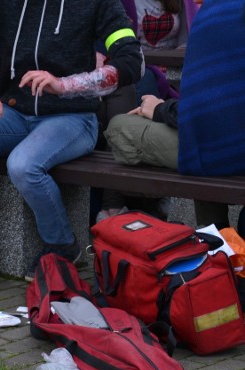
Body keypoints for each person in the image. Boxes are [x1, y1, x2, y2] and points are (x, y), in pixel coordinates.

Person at [0, 0, 144, 283]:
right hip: (15, 112)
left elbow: (133, 62)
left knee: (22, 164)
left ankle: (62, 244)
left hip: (75, 116)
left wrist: (65, 85)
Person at [105, 0, 245, 232]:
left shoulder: (213, 13)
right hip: (222, 140)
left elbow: (201, 113)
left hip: (219, 152)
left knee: (121, 126)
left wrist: (160, 110)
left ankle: (214, 233)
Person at [94, 0, 199, 222]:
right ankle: (140, 202)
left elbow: (192, 44)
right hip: (135, 72)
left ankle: (120, 205)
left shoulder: (182, 3)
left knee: (143, 95)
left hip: (174, 78)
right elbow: (117, 47)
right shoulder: (119, 3)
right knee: (137, 92)